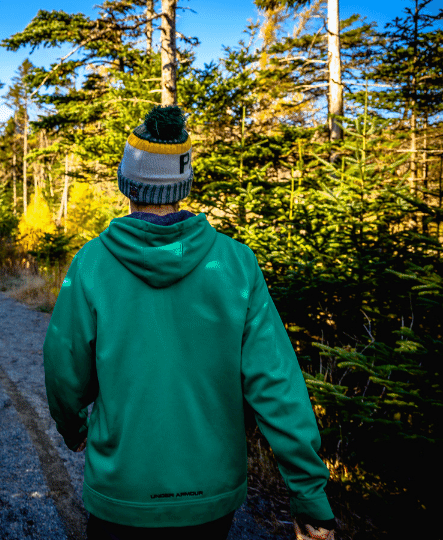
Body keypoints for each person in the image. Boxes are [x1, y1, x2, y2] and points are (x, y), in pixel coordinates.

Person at [43, 105, 336, 540]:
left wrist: (74, 430)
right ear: (183, 184)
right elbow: (276, 384)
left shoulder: (92, 265)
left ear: (128, 184)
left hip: (122, 492)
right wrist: (309, 495)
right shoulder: (237, 264)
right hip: (210, 495)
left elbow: (63, 368)